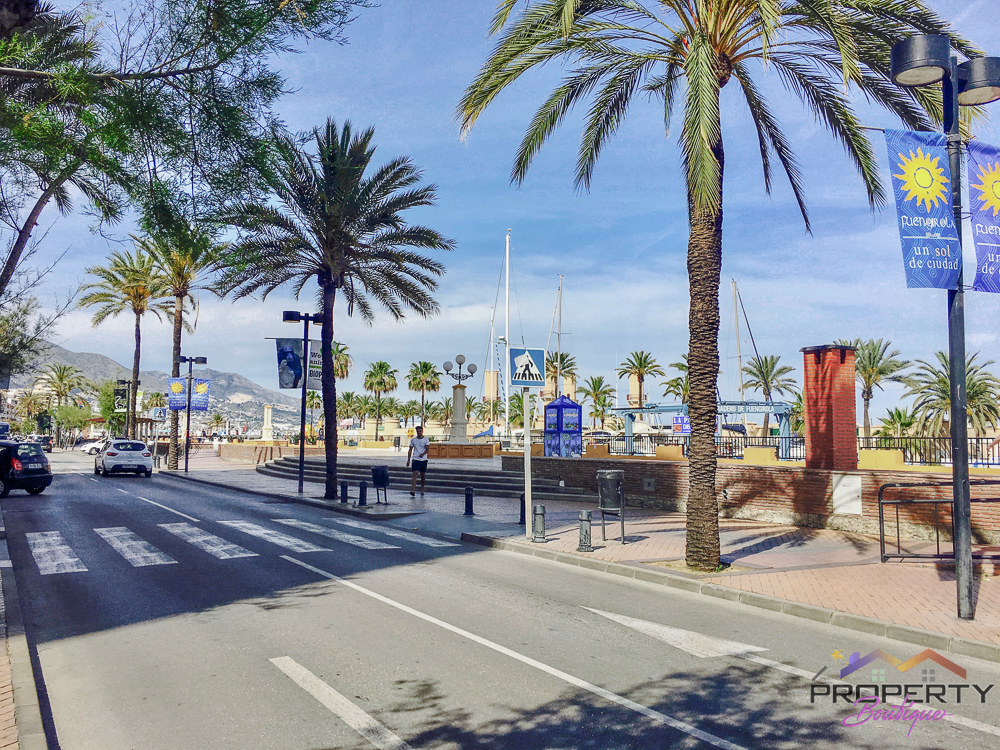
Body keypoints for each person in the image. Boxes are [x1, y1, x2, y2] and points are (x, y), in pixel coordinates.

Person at [406, 425, 430, 496]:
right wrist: (408, 460)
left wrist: (423, 454)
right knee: (414, 474)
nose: (419, 432)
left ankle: (422, 489)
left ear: (422, 431)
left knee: (422, 475)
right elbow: (410, 450)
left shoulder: (426, 439)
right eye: (417, 431)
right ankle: (413, 490)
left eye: (420, 431)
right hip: (415, 459)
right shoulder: (413, 440)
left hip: (423, 459)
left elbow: (427, 449)